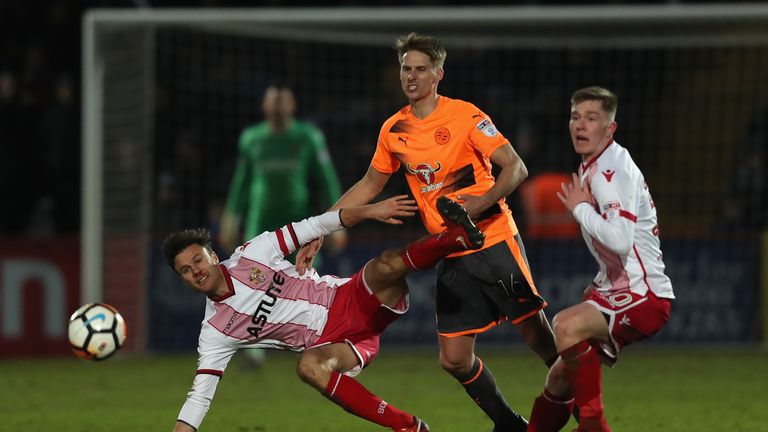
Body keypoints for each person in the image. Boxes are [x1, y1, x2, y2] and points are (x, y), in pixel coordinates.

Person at [297, 32, 558, 432]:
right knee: (454, 359)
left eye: (420, 69)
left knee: (538, 338)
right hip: (448, 250)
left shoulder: (465, 115)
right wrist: (323, 227)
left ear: (438, 74)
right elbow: (370, 184)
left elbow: (515, 168)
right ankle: (509, 424)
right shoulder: (394, 129)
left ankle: (586, 411)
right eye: (406, 68)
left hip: (492, 238)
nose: (411, 76)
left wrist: (477, 206)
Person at [163, 195, 487, 432]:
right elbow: (199, 396)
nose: (196, 271)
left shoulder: (254, 253)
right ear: (182, 279)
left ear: (213, 256)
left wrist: (371, 210)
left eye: (198, 260)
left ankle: (458, 237)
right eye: (185, 270)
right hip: (336, 345)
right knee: (308, 367)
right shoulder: (215, 331)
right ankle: (408, 426)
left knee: (387, 264)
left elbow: (315, 225)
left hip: (349, 298)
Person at [526, 86, 675, 432]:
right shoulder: (596, 165)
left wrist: (580, 208)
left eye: (591, 118)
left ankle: (594, 424)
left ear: (610, 128)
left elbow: (620, 240)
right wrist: (600, 283)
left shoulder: (612, 172)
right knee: (559, 378)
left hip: (644, 295)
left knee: (565, 325)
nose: (580, 125)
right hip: (619, 288)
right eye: (575, 117)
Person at [219, 83, 346, 365]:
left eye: (283, 101)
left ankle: (314, 340)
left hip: (297, 220)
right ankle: (254, 347)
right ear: (264, 106)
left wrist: (338, 220)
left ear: (293, 106)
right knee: (253, 281)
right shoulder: (252, 138)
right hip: (259, 221)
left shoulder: (309, 137)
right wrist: (231, 219)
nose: (278, 106)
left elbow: (327, 179)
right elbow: (241, 183)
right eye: (273, 101)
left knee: (305, 279)